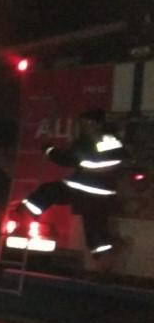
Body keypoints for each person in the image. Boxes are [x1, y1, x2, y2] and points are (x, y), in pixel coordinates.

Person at [16, 109, 128, 258]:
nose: (84, 126)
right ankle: (101, 253)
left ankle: (25, 212)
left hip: (85, 187)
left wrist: (49, 150)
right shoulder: (112, 139)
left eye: (87, 123)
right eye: (83, 123)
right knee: (94, 222)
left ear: (97, 124)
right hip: (104, 191)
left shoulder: (87, 140)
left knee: (49, 191)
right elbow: (118, 158)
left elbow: (69, 159)